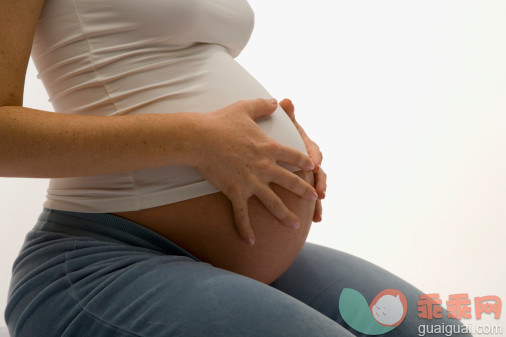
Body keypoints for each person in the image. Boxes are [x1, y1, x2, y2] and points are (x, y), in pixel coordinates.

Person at [1, 1, 471, 336]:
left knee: (438, 330)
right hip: (97, 263)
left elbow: (161, 68)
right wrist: (198, 138)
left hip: (219, 259)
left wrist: (276, 143)